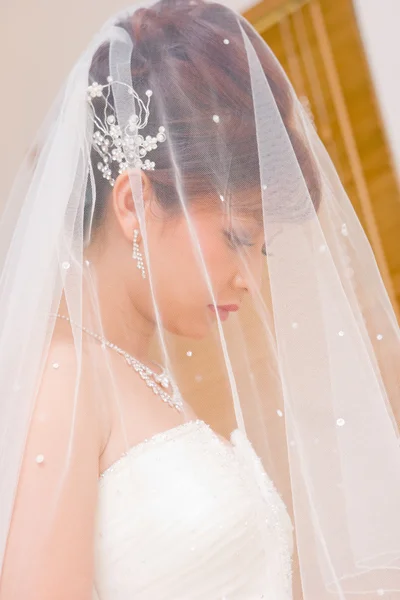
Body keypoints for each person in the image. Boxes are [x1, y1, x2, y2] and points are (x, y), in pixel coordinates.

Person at [0, 0, 399, 598]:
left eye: (261, 251)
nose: (250, 280)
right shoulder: (66, 382)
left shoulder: (144, 377)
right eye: (237, 237)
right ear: (134, 202)